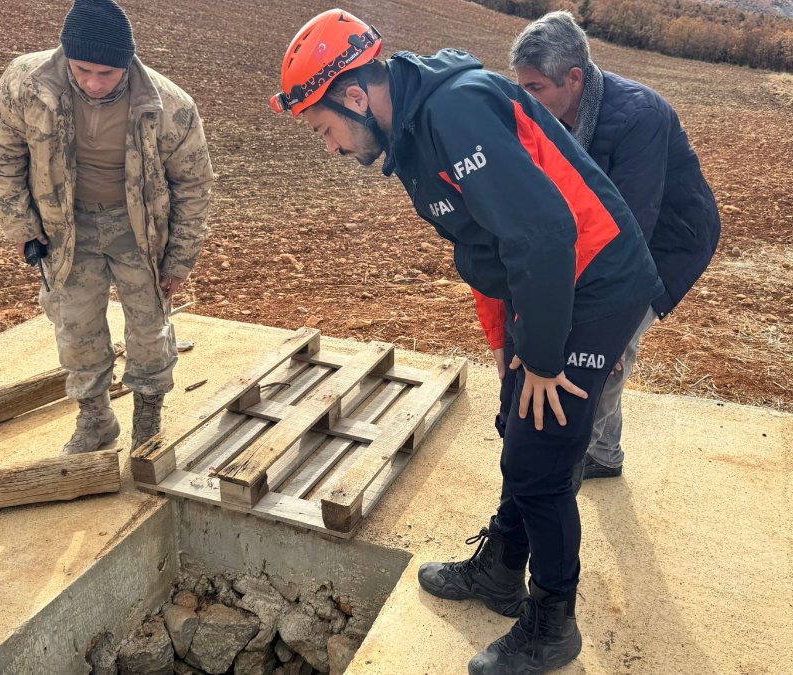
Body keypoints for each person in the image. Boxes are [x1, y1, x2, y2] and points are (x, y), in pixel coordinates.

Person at [270, 10, 662, 674]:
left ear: (356, 97)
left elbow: (544, 234)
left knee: (543, 456)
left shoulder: (454, 112)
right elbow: (484, 248)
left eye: (323, 128)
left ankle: (552, 624)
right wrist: (507, 345)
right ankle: (502, 570)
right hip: (546, 280)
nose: (329, 147)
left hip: (594, 281)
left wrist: (543, 358)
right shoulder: (413, 133)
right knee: (517, 421)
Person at [0, 0, 215, 453]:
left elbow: (194, 185)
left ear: (128, 62)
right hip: (65, 228)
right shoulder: (26, 84)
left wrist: (179, 259)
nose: (93, 82)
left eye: (107, 73)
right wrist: (22, 225)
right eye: (82, 70)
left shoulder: (170, 106)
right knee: (75, 326)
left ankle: (147, 415)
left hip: (139, 231)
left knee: (149, 327)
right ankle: (95, 418)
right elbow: (0, 153)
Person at [512, 11, 721, 481]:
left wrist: (593, 313)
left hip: (667, 242)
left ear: (573, 78)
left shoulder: (638, 117)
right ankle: (605, 454)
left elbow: (629, 232)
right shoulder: (552, 116)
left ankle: (574, 457)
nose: (525, 100)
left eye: (535, 88)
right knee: (595, 337)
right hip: (612, 233)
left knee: (602, 349)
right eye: (521, 87)